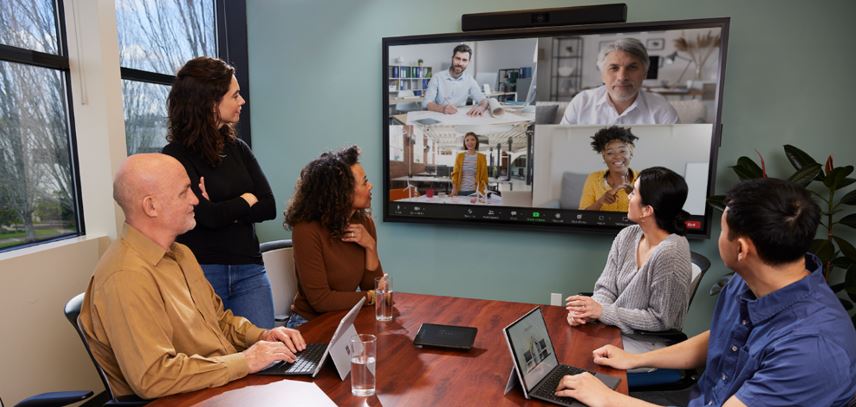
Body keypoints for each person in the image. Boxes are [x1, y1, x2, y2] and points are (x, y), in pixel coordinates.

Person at [555, 178, 856, 407]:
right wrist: (634, 360)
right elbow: (723, 338)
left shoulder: (811, 350)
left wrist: (609, 399)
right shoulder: (749, 280)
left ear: (741, 249)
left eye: (723, 230)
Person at [78, 154, 306, 400]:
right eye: (184, 192)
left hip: (217, 386)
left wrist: (262, 336)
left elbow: (219, 321)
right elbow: (154, 377)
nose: (196, 200)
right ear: (151, 206)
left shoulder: (181, 254)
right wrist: (245, 361)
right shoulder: (125, 276)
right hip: (182, 399)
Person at [162, 57, 277, 328]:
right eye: (235, 95)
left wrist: (222, 207)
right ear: (210, 102)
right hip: (203, 271)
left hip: (249, 269)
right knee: (217, 361)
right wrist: (245, 201)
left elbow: (269, 206)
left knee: (269, 354)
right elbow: (205, 217)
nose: (242, 101)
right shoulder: (175, 156)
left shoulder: (238, 148)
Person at [566, 167, 691, 334]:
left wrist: (602, 312)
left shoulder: (671, 253)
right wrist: (587, 312)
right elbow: (606, 289)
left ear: (647, 210)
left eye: (633, 193)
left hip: (649, 343)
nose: (628, 196)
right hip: (614, 331)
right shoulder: (627, 235)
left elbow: (660, 320)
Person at [284, 145, 384, 327]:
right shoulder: (306, 229)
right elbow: (321, 301)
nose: (371, 186)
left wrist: (370, 246)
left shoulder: (364, 223)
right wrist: (369, 297)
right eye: (364, 182)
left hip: (346, 319)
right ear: (342, 192)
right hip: (309, 324)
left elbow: (373, 288)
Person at [561, 38, 678, 125]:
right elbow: (561, 146)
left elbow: (677, 153)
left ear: (645, 74)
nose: (622, 77)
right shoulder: (581, 103)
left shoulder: (662, 109)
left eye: (632, 67)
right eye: (614, 68)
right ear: (602, 74)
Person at [579, 126, 638, 212]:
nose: (617, 157)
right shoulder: (593, 179)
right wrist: (600, 201)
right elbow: (582, 216)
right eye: (610, 153)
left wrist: (635, 196)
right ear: (604, 157)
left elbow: (653, 216)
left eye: (622, 151)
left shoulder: (644, 180)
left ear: (631, 153)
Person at [422, 44, 488, 116]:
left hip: (460, 117)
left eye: (464, 60)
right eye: (458, 58)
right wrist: (443, 109)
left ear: (469, 62)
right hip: (440, 116)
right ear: (452, 58)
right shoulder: (437, 77)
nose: (460, 63)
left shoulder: (469, 79)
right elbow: (426, 103)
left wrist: (481, 107)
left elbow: (482, 99)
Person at [450, 132, 489, 196]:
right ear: (464, 143)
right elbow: (455, 174)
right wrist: (454, 189)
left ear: (476, 142)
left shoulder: (482, 157)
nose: (470, 142)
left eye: (472, 139)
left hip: (475, 192)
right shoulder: (459, 156)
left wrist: (482, 192)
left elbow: (484, 176)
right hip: (460, 191)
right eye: (467, 140)